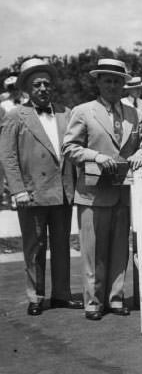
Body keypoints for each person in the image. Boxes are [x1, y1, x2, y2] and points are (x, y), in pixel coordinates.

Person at [62, 58, 142, 320]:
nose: (112, 85)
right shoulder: (83, 111)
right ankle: (94, 301)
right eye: (107, 80)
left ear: (124, 84)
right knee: (93, 249)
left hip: (123, 191)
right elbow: (69, 147)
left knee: (121, 248)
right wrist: (95, 156)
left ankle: (116, 297)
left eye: (117, 81)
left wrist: (141, 154)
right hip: (93, 193)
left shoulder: (134, 113)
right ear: (98, 82)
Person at [0, 58, 80, 316]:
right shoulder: (15, 116)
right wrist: (18, 190)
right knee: (34, 247)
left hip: (62, 191)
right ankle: (35, 296)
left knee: (61, 246)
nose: (44, 88)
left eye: (47, 83)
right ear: (26, 88)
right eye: (37, 84)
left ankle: (61, 294)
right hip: (32, 193)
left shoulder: (65, 113)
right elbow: (8, 157)